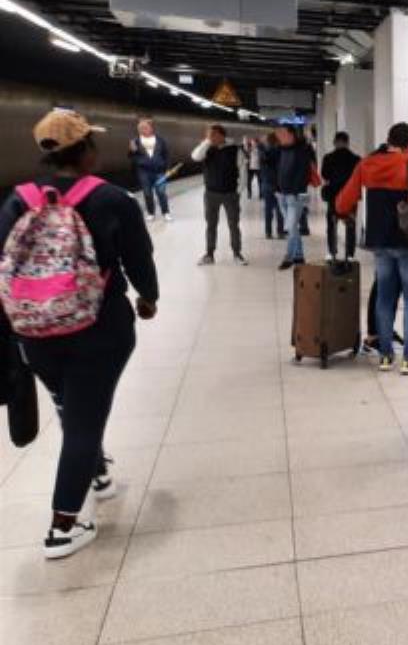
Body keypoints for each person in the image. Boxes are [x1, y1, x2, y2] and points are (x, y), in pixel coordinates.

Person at [0, 109, 158, 559]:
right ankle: (63, 526)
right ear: (86, 149)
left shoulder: (18, 201)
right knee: (83, 418)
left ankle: (98, 473)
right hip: (99, 328)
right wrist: (148, 298)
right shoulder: (112, 199)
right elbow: (139, 258)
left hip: (36, 332)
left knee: (73, 404)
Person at [336, 122, 408, 374]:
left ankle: (386, 356)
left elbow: (343, 202)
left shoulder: (367, 164)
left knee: (384, 298)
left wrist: (346, 213)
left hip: (380, 241)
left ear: (389, 140)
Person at [192, 124, 246, 265]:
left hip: (230, 194)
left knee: (233, 225)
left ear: (221, 135)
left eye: (213, 135)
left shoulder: (235, 150)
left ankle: (237, 254)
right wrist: (207, 142)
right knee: (211, 225)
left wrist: (239, 190)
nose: (210, 137)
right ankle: (209, 254)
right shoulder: (207, 148)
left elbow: (242, 169)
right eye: (208, 135)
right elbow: (195, 157)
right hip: (211, 194)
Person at [274, 126, 317, 270]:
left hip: (297, 195)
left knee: (290, 226)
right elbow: (278, 170)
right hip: (282, 194)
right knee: (292, 227)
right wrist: (277, 189)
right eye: (278, 134)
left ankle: (289, 257)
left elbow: (304, 174)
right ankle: (299, 255)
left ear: (291, 135)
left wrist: (294, 191)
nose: (279, 137)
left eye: (282, 134)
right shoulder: (281, 150)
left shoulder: (302, 150)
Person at [321, 132, 361, 262]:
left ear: (335, 142)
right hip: (350, 196)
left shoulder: (328, 158)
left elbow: (325, 175)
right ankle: (350, 254)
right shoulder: (356, 159)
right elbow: (359, 177)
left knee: (332, 225)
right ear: (347, 142)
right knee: (350, 225)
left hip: (334, 195)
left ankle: (332, 252)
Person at [127, 119, 172, 223]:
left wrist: (168, 168)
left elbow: (166, 154)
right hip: (144, 171)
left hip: (159, 171)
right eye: (140, 128)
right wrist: (132, 151)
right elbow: (130, 156)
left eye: (144, 127)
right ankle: (151, 213)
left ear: (151, 128)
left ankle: (166, 213)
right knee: (147, 193)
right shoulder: (135, 141)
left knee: (161, 192)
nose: (142, 129)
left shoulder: (160, 140)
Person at [260, 132, 285, 239]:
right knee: (280, 209)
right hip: (279, 183)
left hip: (267, 182)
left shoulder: (264, 152)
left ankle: (268, 232)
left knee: (268, 209)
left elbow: (262, 167)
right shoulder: (281, 151)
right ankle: (280, 231)